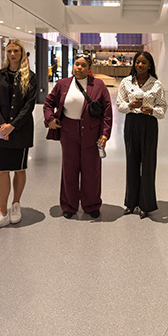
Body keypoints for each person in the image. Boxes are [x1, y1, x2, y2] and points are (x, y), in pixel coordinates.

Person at [43, 53, 112, 219]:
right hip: (68, 132)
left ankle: (91, 204)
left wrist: (105, 134)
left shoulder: (99, 85)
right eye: (76, 64)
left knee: (91, 170)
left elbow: (107, 111)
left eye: (83, 65)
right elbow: (48, 103)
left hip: (92, 132)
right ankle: (69, 205)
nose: (79, 68)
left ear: (89, 69)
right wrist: (50, 119)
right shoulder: (63, 84)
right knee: (69, 169)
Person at [0, 39, 38, 233]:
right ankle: (1, 212)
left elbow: (29, 105)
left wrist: (12, 126)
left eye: (16, 51)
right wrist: (1, 125)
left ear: (22, 53)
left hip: (21, 130)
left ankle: (16, 204)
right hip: (1, 131)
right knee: (2, 170)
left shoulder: (30, 77)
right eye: (9, 51)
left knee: (19, 168)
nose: (12, 54)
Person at [116, 51, 167, 219]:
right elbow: (119, 105)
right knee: (132, 162)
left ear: (150, 65)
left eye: (144, 62)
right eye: (137, 62)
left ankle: (146, 205)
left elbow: (162, 109)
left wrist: (151, 110)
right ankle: (131, 203)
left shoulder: (156, 84)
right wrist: (130, 105)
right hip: (131, 123)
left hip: (149, 124)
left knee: (148, 164)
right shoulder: (126, 82)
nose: (140, 65)